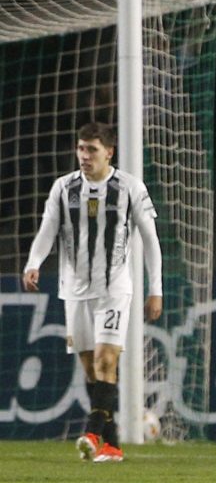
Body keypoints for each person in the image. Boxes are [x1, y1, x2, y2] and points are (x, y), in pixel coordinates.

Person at [21, 122, 163, 463]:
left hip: (114, 288)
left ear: (109, 152)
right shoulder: (63, 188)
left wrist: (155, 289)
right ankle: (111, 446)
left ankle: (91, 430)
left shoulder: (130, 187)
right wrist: (33, 262)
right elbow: (47, 230)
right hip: (73, 290)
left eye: (92, 150)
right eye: (81, 149)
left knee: (106, 360)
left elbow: (150, 240)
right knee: (91, 371)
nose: (84, 156)